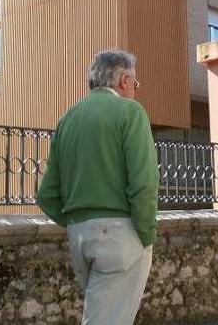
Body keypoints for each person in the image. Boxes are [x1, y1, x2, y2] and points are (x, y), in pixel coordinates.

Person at [37, 49, 159, 325]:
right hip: (122, 233)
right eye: (135, 84)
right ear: (124, 80)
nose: (134, 90)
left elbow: (46, 195)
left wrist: (75, 221)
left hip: (79, 234)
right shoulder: (130, 111)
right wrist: (146, 234)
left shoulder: (68, 119)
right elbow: (144, 182)